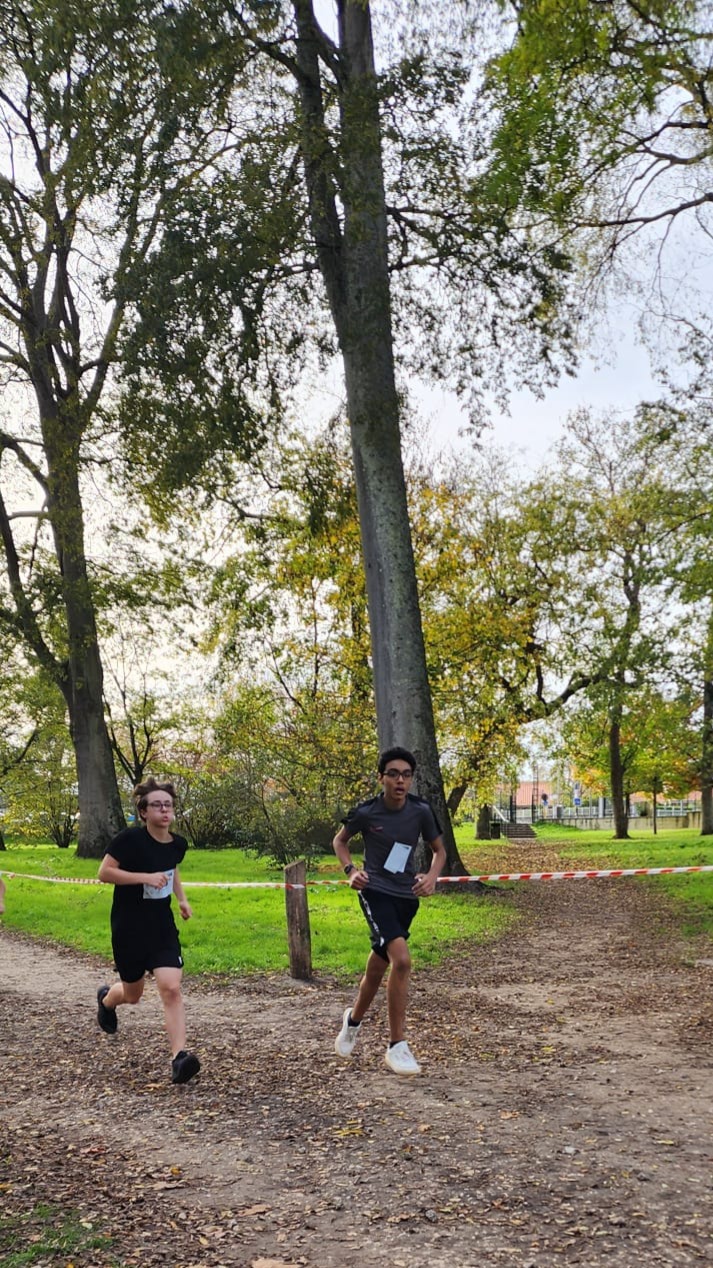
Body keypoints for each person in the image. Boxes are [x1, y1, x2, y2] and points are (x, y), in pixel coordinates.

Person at [332, 746, 446, 1076]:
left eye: (406, 775)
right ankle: (397, 1046)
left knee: (377, 966)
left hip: (406, 896)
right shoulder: (367, 812)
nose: (400, 781)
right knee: (402, 960)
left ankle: (352, 1021)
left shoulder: (421, 811)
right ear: (381, 777)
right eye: (393, 774)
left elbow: (439, 851)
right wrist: (351, 871)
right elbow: (339, 841)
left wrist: (432, 878)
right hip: (375, 892)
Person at [96, 777, 200, 1085]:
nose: (164, 810)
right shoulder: (129, 840)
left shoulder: (178, 844)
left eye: (168, 805)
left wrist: (182, 899)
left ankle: (179, 1058)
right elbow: (104, 872)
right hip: (129, 928)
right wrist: (144, 877)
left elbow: (171, 869)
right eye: (157, 805)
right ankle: (107, 1000)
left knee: (171, 987)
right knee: (133, 994)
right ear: (143, 812)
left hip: (161, 927)